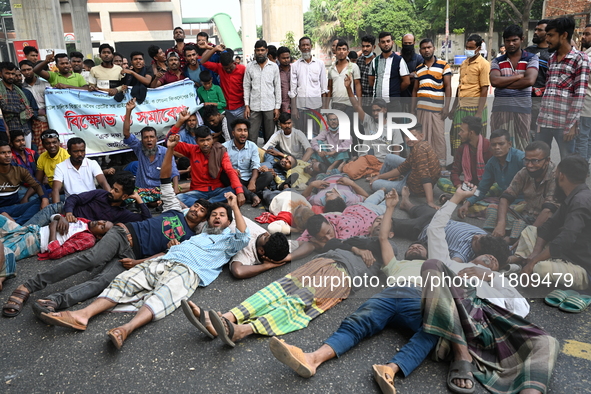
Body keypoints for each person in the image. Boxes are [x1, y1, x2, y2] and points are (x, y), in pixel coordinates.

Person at [2, 140, 211, 318]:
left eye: (201, 210)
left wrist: (138, 262)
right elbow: (164, 182)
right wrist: (171, 149)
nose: (195, 210)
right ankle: (28, 286)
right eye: (196, 206)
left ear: (204, 218)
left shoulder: (190, 238)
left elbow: (166, 254)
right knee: (90, 260)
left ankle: (55, 301)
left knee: (103, 281)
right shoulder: (175, 211)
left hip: (133, 255)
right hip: (122, 234)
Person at [182, 192, 400, 348]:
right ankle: (222, 318)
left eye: (384, 224)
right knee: (276, 290)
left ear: (390, 233)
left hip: (344, 275)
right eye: (377, 221)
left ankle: (243, 330)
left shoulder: (389, 249)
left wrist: (389, 209)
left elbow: (383, 242)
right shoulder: (355, 236)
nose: (379, 224)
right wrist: (354, 247)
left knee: (297, 302)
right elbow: (329, 244)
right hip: (322, 263)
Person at [38, 191, 248, 350]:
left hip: (189, 271)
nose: (217, 217)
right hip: (165, 259)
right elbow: (167, 248)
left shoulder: (230, 240)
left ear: (229, 221)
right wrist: (141, 262)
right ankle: (82, 316)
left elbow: (243, 236)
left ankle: (125, 330)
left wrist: (234, 207)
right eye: (214, 215)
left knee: (160, 298)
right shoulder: (195, 236)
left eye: (222, 216)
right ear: (207, 220)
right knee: (123, 283)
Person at [511, 156, 591, 292]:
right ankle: (527, 261)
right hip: (563, 255)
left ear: (561, 176)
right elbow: (549, 227)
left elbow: (564, 240)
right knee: (530, 230)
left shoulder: (581, 201)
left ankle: (530, 267)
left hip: (582, 267)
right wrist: (535, 253)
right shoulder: (574, 196)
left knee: (541, 269)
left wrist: (534, 262)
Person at [395, 186, 505, 264]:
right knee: (419, 209)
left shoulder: (463, 255)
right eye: (481, 236)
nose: (476, 236)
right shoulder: (491, 241)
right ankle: (406, 204)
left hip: (421, 229)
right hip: (439, 217)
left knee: (390, 224)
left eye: (476, 242)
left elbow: (449, 266)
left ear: (479, 254)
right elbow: (511, 252)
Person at [484, 141, 558, 244]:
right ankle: (513, 236)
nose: (530, 165)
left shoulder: (555, 176)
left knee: (541, 230)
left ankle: (514, 239)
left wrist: (529, 233)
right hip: (525, 216)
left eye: (535, 161)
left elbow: (548, 211)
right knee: (492, 209)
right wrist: (501, 224)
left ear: (547, 160)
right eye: (527, 160)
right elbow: (506, 197)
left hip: (544, 221)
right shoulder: (524, 172)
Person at [537, 17, 589, 160]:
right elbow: (549, 90)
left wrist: (572, 124)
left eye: (551, 35)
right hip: (545, 121)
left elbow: (579, 95)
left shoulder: (580, 59)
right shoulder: (552, 58)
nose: (547, 39)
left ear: (564, 35)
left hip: (564, 124)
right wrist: (540, 121)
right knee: (539, 161)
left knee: (567, 164)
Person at [24, 174, 150, 227]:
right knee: (25, 229)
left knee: (32, 238)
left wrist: (139, 199)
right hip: (60, 210)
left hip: (72, 227)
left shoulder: (122, 214)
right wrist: (69, 212)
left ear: (124, 197)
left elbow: (147, 220)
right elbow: (74, 198)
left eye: (116, 191)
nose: (111, 191)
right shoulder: (101, 194)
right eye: (112, 188)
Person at [170, 124, 246, 207]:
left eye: (208, 140)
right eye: (202, 141)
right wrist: (180, 122)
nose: (206, 143)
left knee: (234, 189)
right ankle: (213, 205)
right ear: (196, 141)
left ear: (212, 139)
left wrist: (240, 192)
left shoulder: (220, 152)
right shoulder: (192, 150)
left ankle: (205, 205)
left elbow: (229, 170)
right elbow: (169, 140)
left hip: (217, 190)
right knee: (179, 198)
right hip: (198, 191)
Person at [490, 25, 539, 151]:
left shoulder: (531, 58)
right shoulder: (497, 61)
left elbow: (530, 80)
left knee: (521, 147)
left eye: (514, 40)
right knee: (499, 148)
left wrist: (503, 83)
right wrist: (518, 77)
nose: (511, 43)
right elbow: (494, 81)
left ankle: (520, 172)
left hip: (522, 108)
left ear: (522, 39)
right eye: (507, 41)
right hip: (500, 109)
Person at [458, 128, 525, 219]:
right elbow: (481, 190)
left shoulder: (521, 159)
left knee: (504, 212)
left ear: (509, 144)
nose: (497, 147)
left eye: (501, 144)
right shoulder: (491, 163)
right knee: (472, 207)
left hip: (525, 200)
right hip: (507, 200)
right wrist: (468, 203)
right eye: (494, 145)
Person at [370, 124, 440, 209]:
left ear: (421, 136)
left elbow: (425, 176)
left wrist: (430, 202)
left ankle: (382, 184)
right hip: (413, 173)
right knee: (389, 157)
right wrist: (379, 176)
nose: (409, 139)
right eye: (406, 136)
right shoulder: (421, 144)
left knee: (374, 184)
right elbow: (402, 168)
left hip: (413, 187)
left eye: (413, 136)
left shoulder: (419, 150)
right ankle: (383, 179)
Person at [123, 98, 180, 202]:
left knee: (167, 196)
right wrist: (128, 111)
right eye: (145, 137)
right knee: (126, 199)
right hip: (141, 189)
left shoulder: (165, 152)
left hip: (159, 189)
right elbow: (126, 133)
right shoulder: (139, 148)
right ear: (142, 140)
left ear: (156, 139)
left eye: (151, 137)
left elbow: (174, 172)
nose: (149, 140)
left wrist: (175, 189)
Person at [0, 214, 112, 262]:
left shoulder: (88, 239)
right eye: (104, 221)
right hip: (33, 229)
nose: (99, 222)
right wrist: (60, 218)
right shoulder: (83, 221)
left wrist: (53, 227)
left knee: (3, 252)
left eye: (102, 227)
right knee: (2, 218)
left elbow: (56, 253)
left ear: (99, 236)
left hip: (35, 242)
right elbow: (53, 217)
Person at [411, 38, 452, 166]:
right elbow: (415, 90)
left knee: (438, 138)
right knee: (423, 138)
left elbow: (448, 87)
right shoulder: (419, 68)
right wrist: (412, 109)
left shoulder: (443, 65)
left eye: (429, 47)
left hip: (437, 110)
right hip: (421, 109)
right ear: (420, 51)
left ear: (434, 48)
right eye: (424, 48)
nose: (426, 50)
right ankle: (424, 165)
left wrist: (446, 107)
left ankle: (441, 166)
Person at [344, 74, 403, 159]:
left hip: (382, 162)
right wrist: (348, 88)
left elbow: (396, 152)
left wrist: (392, 166)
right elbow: (356, 106)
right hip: (365, 160)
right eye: (373, 111)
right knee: (349, 170)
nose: (375, 113)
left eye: (378, 110)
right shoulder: (368, 120)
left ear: (385, 110)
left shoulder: (394, 127)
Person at [448, 34, 490, 151]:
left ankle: (474, 164)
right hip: (461, 106)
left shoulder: (484, 64)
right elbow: (459, 87)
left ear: (479, 48)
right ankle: (459, 163)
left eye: (471, 48)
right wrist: (453, 107)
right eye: (467, 47)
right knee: (457, 135)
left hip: (475, 106)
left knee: (474, 140)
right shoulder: (464, 63)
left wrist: (479, 112)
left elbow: (484, 89)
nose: (468, 50)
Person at [223, 118, 273, 207]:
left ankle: (245, 194)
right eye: (239, 130)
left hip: (249, 179)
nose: (243, 133)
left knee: (268, 175)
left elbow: (255, 165)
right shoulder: (225, 147)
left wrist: (252, 181)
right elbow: (222, 166)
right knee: (225, 175)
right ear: (233, 133)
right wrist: (232, 170)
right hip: (235, 179)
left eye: (245, 130)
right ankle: (252, 195)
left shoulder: (252, 146)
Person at [438, 116, 492, 194]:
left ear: (471, 133)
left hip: (486, 186)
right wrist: (459, 186)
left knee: (496, 187)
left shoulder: (488, 146)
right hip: (470, 185)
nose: (459, 133)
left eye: (462, 131)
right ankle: (469, 196)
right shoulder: (462, 148)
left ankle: (466, 197)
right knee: (441, 182)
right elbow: (455, 172)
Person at [0, 141, 49, 224]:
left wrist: (45, 199)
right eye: (3, 153)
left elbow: (37, 185)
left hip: (16, 207)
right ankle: (18, 224)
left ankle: (16, 224)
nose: (7, 155)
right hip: (1, 210)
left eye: (9, 152)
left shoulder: (19, 169)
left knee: (42, 201)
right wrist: (1, 213)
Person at [243, 40, 281, 143]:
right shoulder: (250, 66)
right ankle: (253, 157)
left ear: (266, 51)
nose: (260, 52)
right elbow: (246, 86)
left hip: (270, 105)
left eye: (262, 50)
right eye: (258, 50)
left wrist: (277, 107)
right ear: (255, 51)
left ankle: (269, 157)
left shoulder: (273, 67)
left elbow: (277, 87)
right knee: (252, 135)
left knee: (270, 137)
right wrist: (247, 105)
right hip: (254, 106)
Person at [289, 36, 329, 134]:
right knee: (302, 134)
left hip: (316, 106)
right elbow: (293, 89)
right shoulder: (295, 66)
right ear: (299, 47)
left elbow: (324, 88)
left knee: (315, 133)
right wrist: (294, 109)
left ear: (311, 46)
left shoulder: (320, 64)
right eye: (303, 45)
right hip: (301, 107)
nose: (305, 47)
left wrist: (324, 107)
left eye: (307, 45)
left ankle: (314, 149)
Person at [52, 138, 110, 203]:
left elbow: (103, 182)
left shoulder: (92, 163)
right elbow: (56, 190)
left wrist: (111, 203)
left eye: (82, 151)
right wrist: (56, 210)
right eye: (76, 151)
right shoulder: (60, 167)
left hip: (92, 201)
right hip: (72, 203)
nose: (80, 154)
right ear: (68, 152)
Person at [201, 46, 247, 121]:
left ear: (233, 62)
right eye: (226, 68)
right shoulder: (219, 68)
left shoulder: (242, 69)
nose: (228, 70)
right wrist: (213, 49)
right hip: (226, 109)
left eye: (230, 67)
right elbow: (203, 61)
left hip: (241, 108)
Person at [368, 32, 410, 111]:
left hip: (394, 102)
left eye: (388, 41)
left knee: (395, 123)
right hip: (377, 103)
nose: (386, 44)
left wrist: (395, 90)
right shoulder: (375, 61)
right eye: (383, 42)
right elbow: (371, 81)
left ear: (392, 43)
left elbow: (406, 81)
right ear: (379, 44)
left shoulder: (399, 60)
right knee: (378, 123)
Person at [525, 19, 551, 139]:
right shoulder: (527, 51)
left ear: (548, 33)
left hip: (541, 102)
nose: (535, 32)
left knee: (538, 137)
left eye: (539, 30)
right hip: (524, 99)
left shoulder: (553, 54)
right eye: (535, 29)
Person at [328, 39, 361, 122]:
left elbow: (357, 85)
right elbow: (329, 87)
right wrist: (325, 105)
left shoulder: (353, 67)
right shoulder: (331, 69)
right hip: (335, 104)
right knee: (337, 131)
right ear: (335, 51)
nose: (341, 51)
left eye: (344, 49)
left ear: (347, 52)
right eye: (339, 49)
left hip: (349, 104)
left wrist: (359, 104)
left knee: (349, 131)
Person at [19, 60, 50, 150]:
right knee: (35, 146)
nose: (27, 72)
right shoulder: (20, 88)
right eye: (24, 70)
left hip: (47, 119)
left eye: (29, 69)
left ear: (34, 69)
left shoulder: (46, 84)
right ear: (21, 72)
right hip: (31, 121)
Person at [0, 62, 34, 141]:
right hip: (8, 129)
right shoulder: (1, 89)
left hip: (25, 128)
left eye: (13, 74)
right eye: (7, 73)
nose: (11, 76)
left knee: (27, 152)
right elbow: (4, 108)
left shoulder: (18, 90)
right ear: (1, 73)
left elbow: (28, 108)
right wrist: (22, 108)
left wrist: (23, 108)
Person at [302, 175, 368, 210]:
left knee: (320, 171)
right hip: (342, 176)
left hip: (323, 178)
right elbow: (366, 197)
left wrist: (312, 185)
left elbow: (303, 198)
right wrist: (352, 183)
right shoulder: (351, 199)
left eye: (325, 197)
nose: (327, 194)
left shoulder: (317, 200)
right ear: (341, 198)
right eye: (331, 194)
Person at [576, 23, 591, 166]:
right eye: (584, 34)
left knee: (582, 137)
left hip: (586, 104)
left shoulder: (587, 56)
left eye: (587, 34)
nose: (584, 37)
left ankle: (581, 167)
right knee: (587, 137)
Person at [400, 34, 423, 102]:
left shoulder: (419, 59)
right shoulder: (398, 59)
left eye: (410, 43)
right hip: (400, 96)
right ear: (402, 43)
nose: (407, 45)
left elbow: (420, 74)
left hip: (415, 97)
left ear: (414, 43)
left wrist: (405, 77)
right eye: (405, 43)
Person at [357, 34, 377, 107]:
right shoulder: (359, 61)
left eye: (368, 46)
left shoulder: (377, 62)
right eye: (363, 46)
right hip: (360, 100)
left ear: (374, 47)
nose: (365, 49)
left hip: (373, 100)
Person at [277, 46, 292, 113]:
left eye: (287, 58)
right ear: (278, 58)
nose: (286, 60)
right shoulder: (276, 71)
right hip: (281, 106)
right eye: (283, 58)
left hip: (296, 105)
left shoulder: (295, 70)